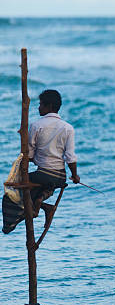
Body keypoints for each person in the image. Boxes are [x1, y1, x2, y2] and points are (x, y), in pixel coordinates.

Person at [3, 89, 79, 234]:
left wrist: (28, 158)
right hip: (60, 177)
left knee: (12, 192)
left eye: (41, 105)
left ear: (49, 106)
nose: (38, 107)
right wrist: (75, 176)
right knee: (35, 189)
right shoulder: (68, 128)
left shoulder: (36, 125)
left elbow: (29, 154)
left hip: (44, 174)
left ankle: (10, 225)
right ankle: (43, 206)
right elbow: (70, 157)